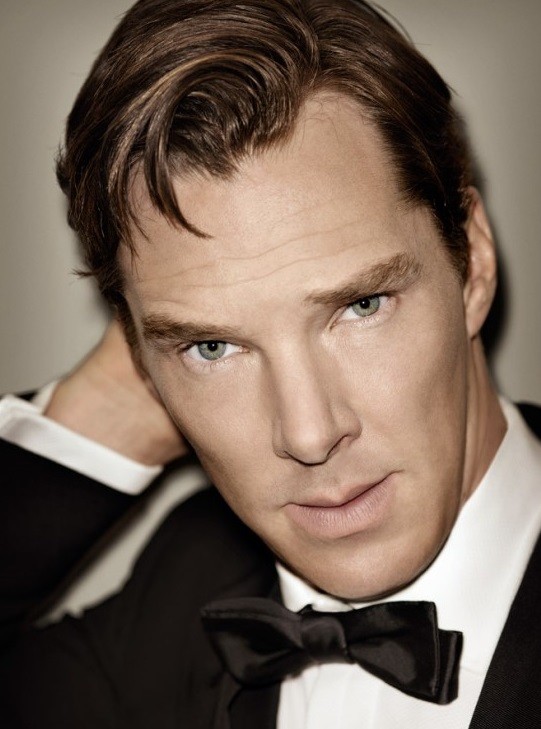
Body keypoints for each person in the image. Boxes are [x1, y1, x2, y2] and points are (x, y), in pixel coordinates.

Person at [1, 0, 540, 727]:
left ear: (470, 262)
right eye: (211, 345)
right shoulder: (183, 584)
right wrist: (108, 411)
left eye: (362, 305)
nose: (309, 434)